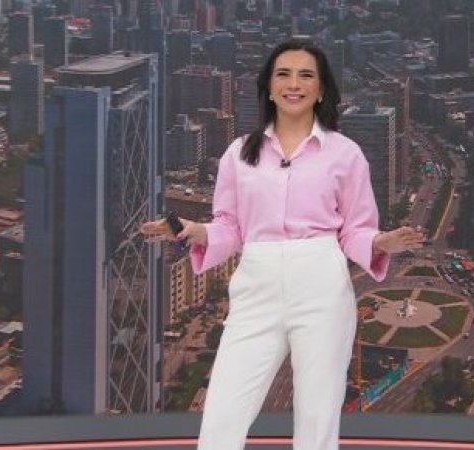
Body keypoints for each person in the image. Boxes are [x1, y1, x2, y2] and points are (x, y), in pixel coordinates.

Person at [141, 40, 425, 450]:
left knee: (317, 418)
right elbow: (230, 228)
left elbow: (354, 231)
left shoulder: (346, 154)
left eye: (306, 75)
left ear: (321, 90)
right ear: (269, 88)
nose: (294, 84)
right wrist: (193, 231)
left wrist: (382, 241)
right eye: (283, 75)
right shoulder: (239, 153)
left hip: (321, 285)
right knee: (221, 417)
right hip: (256, 285)